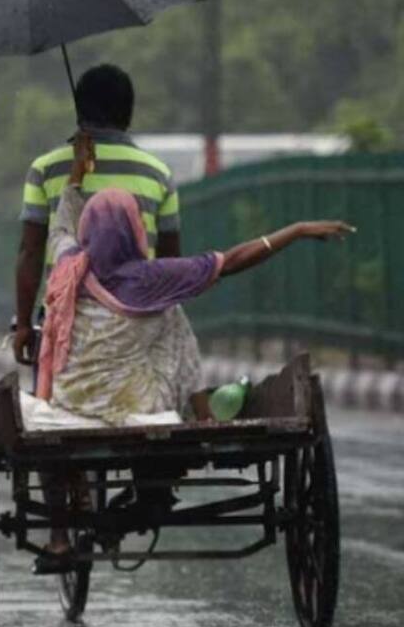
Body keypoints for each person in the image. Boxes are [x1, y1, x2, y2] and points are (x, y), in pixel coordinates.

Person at [30, 129, 353, 568]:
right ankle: (192, 423)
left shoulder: (68, 263)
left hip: (72, 402)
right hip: (135, 406)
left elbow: (62, 224)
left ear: (89, 233)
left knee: (166, 320)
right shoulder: (156, 277)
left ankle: (60, 536)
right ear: (132, 231)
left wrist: (77, 172)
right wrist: (294, 231)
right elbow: (234, 260)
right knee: (173, 317)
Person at [14, 64, 181, 367]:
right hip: (137, 320)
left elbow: (31, 251)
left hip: (65, 323)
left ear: (79, 110)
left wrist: (23, 324)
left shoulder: (45, 170)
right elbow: (170, 261)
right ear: (128, 114)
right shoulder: (158, 174)